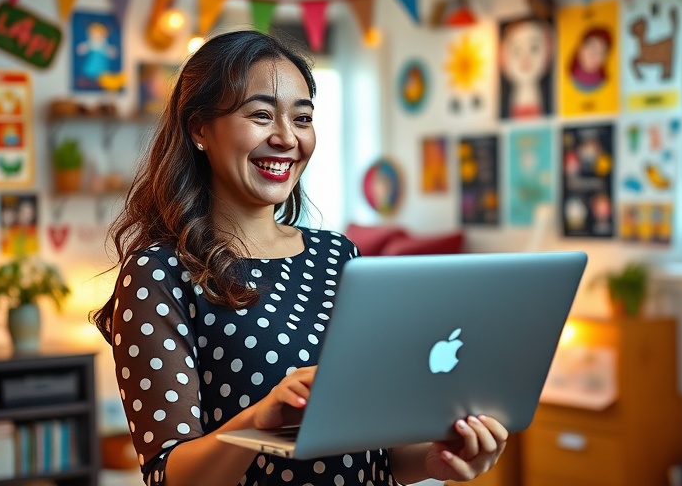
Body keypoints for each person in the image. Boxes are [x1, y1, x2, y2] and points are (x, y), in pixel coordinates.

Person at [90, 29, 508, 486]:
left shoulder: (339, 255)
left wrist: (434, 460)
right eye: (261, 115)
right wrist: (259, 420)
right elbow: (169, 476)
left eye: (302, 118)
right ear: (199, 129)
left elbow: (379, 451)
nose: (287, 138)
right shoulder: (158, 274)